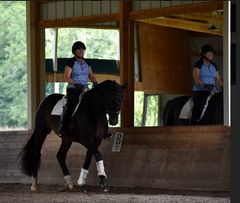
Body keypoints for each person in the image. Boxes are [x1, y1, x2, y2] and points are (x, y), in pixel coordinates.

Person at [59, 41, 98, 136]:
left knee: (97, 103)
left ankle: (99, 127)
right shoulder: (71, 61)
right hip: (73, 89)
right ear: (74, 51)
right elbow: (66, 77)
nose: (81, 51)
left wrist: (96, 83)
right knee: (72, 104)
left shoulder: (86, 62)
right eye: (79, 49)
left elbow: (91, 75)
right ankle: (63, 127)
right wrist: (76, 84)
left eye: (82, 49)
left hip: (85, 88)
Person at [191, 44, 223, 124]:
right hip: (200, 91)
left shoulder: (214, 66)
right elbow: (196, 79)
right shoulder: (198, 65)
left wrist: (223, 85)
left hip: (212, 91)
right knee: (199, 104)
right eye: (209, 53)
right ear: (204, 55)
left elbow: (218, 79)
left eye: (212, 53)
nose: (211, 54)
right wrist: (205, 85)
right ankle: (195, 120)